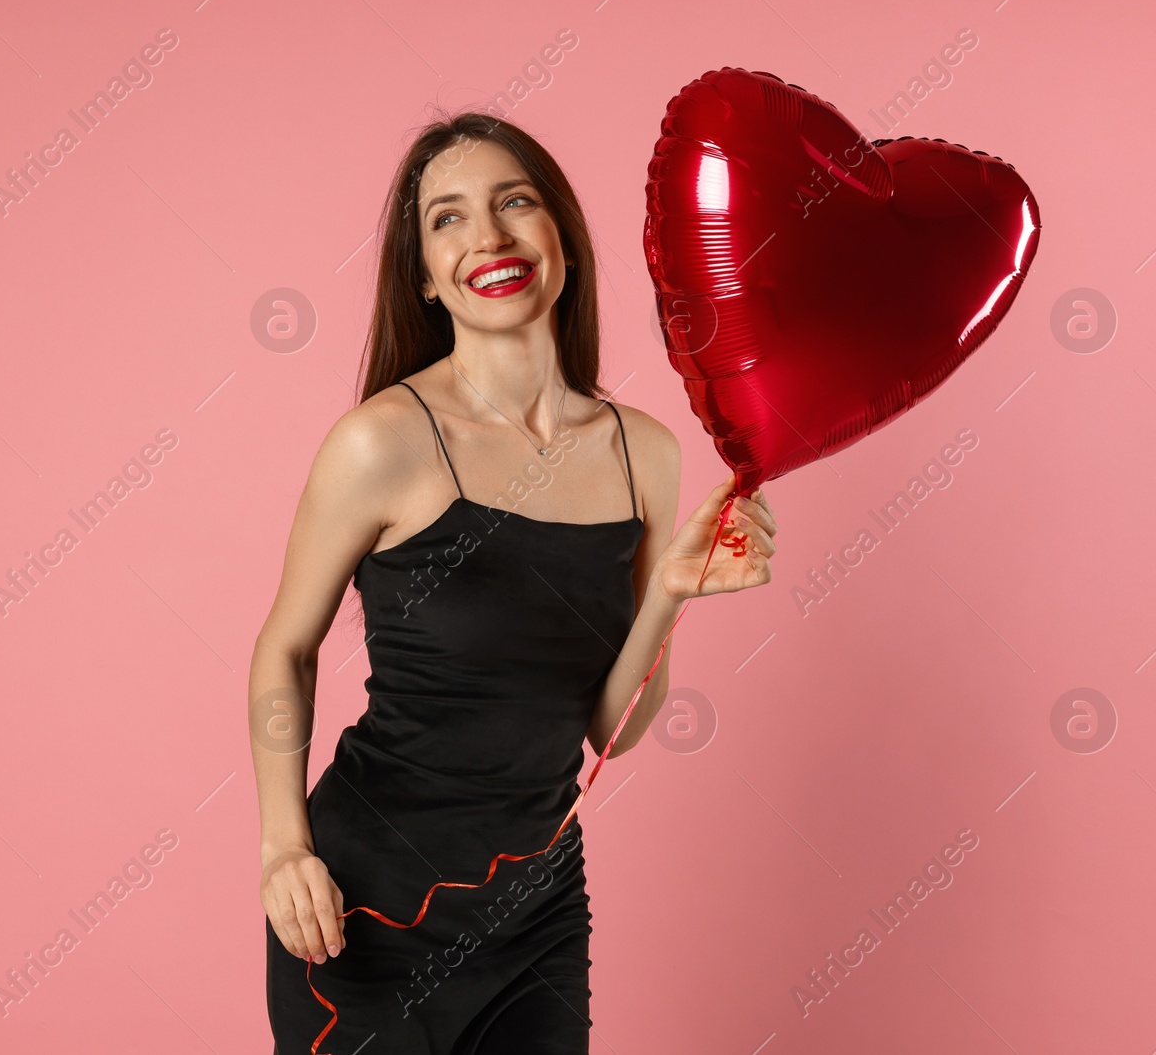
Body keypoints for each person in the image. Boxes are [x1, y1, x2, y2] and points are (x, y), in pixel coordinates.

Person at [250, 111, 778, 1054]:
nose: (487, 236)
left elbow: (608, 725)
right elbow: (285, 648)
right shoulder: (382, 441)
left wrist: (668, 595)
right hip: (363, 899)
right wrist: (284, 845)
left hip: (535, 906)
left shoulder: (643, 453)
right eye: (447, 219)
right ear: (423, 275)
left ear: (562, 239)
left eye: (514, 202)